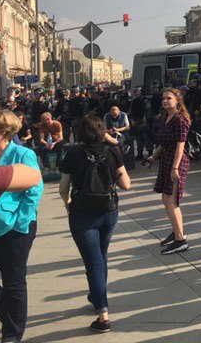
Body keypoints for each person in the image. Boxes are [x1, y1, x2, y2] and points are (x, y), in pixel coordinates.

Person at [58, 114, 131, 333]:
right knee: (101, 255)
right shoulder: (112, 151)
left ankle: (103, 314)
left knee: (93, 262)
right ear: (102, 130)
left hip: (82, 213)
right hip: (108, 211)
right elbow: (126, 184)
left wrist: (67, 204)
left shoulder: (73, 154)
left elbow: (63, 187)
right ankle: (97, 295)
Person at [0, 109, 44, 343]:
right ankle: (11, 317)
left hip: (15, 228)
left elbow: (35, 190)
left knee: (13, 282)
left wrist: (20, 222)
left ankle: (12, 335)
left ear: (3, 132)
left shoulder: (23, 153)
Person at [142, 88, 191, 254]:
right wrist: (152, 157)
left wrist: (175, 168)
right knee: (166, 199)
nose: (164, 101)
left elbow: (180, 146)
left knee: (172, 200)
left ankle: (181, 240)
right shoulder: (166, 117)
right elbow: (163, 144)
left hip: (177, 162)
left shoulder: (180, 120)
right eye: (163, 98)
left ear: (177, 100)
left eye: (168, 98)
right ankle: (176, 231)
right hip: (166, 160)